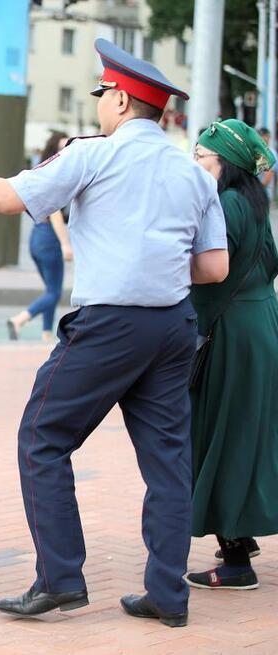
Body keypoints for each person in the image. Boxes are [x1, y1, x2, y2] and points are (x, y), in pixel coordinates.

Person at [0, 38, 230, 628]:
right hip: (174, 327)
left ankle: (60, 580)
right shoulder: (194, 173)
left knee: (42, 438)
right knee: (168, 463)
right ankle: (167, 595)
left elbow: (7, 198)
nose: (99, 102)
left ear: (123, 102)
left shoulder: (92, 154)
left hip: (110, 325)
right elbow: (212, 269)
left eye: (102, 93)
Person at [184, 119, 278, 592]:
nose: (195, 163)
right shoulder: (255, 204)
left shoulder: (224, 207)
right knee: (246, 432)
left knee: (221, 437)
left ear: (225, 164)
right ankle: (240, 536)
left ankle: (237, 559)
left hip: (230, 336)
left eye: (202, 157)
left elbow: (208, 271)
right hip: (260, 327)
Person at [8, 131, 73, 342]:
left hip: (37, 238)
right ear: (54, 150)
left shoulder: (46, 170)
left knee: (50, 290)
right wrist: (65, 244)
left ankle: (46, 334)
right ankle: (20, 319)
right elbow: (54, 214)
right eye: (63, 147)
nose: (67, 151)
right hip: (49, 239)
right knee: (54, 293)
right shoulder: (57, 175)